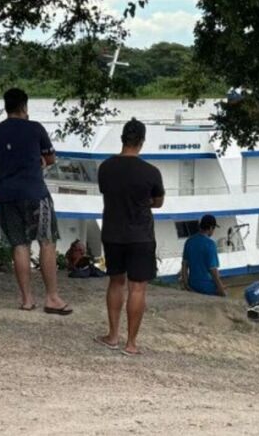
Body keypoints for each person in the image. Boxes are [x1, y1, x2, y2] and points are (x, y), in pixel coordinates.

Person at [0, 87, 71, 314]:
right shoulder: (35, 128)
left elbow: (2, 159)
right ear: (24, 106)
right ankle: (52, 297)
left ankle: (26, 299)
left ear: (6, 107)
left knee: (19, 245)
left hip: (8, 195)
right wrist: (40, 163)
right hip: (36, 193)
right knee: (46, 241)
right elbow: (50, 158)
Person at [94, 119, 164, 356]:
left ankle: (112, 335)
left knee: (116, 283)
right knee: (137, 289)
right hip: (141, 235)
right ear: (141, 142)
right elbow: (158, 202)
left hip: (113, 232)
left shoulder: (105, 168)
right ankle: (131, 343)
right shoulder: (151, 172)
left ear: (122, 139)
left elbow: (107, 192)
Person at [180, 215, 227, 296]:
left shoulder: (189, 241)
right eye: (214, 229)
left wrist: (186, 284)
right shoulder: (210, 244)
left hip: (193, 285)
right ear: (211, 228)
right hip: (207, 287)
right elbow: (213, 271)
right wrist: (221, 290)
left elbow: (184, 265)